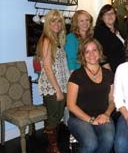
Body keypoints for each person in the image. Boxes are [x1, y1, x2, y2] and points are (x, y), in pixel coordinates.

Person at [67, 37, 115, 153]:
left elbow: (112, 100)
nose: (91, 54)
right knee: (90, 143)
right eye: (87, 51)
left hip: (102, 116)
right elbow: (71, 105)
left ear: (99, 52)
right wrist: (91, 120)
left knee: (108, 139)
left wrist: (106, 114)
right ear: (82, 55)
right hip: (79, 118)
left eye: (94, 50)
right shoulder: (76, 75)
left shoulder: (108, 74)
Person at [36, 9, 70, 153]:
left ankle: (52, 146)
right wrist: (57, 90)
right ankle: (53, 148)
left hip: (61, 84)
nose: (56, 24)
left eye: (59, 21)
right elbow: (48, 68)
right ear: (48, 24)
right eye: (53, 21)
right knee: (54, 118)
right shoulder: (47, 40)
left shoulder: (58, 40)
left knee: (57, 116)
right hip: (52, 87)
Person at [93, 4, 125, 73]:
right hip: (110, 71)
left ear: (115, 16)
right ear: (101, 17)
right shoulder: (99, 31)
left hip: (121, 69)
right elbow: (100, 52)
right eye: (106, 14)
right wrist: (108, 71)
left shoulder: (119, 31)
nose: (110, 15)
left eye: (112, 13)